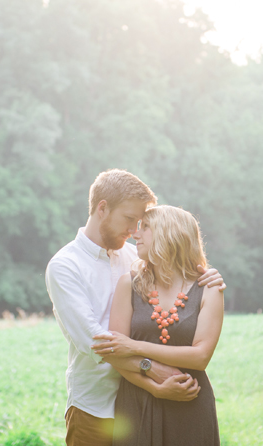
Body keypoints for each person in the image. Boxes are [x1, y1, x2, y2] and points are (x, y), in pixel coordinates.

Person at [45, 170, 225, 446]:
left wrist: (209, 277)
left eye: (140, 224)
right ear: (102, 208)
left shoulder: (136, 257)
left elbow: (180, 271)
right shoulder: (65, 266)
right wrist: (154, 372)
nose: (133, 231)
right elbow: (97, 343)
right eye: (129, 219)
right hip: (96, 406)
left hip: (146, 401)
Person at [92, 205, 223, 445]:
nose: (135, 234)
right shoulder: (128, 284)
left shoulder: (209, 288)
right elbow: (114, 352)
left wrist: (134, 346)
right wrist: (153, 386)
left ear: (169, 234)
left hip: (189, 399)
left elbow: (200, 357)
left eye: (145, 228)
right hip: (136, 400)